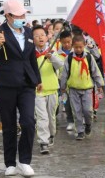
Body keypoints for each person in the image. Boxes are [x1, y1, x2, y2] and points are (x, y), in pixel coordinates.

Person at [0, 0, 42, 177]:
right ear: (9, 16)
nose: (22, 18)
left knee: (28, 122)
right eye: (18, 15)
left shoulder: (27, 31)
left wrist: (37, 79)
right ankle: (10, 163)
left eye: (23, 15)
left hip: (27, 84)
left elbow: (31, 57)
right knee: (9, 124)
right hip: (6, 84)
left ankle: (24, 161)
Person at [60, 35, 104, 140]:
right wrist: (63, 86)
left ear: (84, 45)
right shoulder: (69, 58)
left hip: (87, 89)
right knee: (77, 111)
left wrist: (99, 85)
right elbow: (64, 73)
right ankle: (80, 131)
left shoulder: (89, 57)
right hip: (73, 89)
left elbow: (95, 71)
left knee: (88, 110)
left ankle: (88, 124)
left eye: (80, 47)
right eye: (76, 47)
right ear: (72, 47)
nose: (78, 49)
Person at [33, 25, 63, 154]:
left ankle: (51, 135)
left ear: (47, 37)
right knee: (42, 117)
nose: (40, 37)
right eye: (36, 35)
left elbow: (60, 65)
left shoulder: (52, 51)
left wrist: (52, 57)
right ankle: (43, 142)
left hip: (52, 89)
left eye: (42, 35)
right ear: (32, 39)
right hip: (38, 91)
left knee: (51, 117)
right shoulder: (30, 53)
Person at [57, 30, 74, 131]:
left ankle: (80, 119)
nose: (67, 44)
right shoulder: (57, 53)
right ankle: (70, 120)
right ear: (60, 42)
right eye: (64, 42)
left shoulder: (76, 51)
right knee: (66, 103)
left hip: (75, 81)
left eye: (69, 42)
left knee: (77, 102)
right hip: (62, 83)